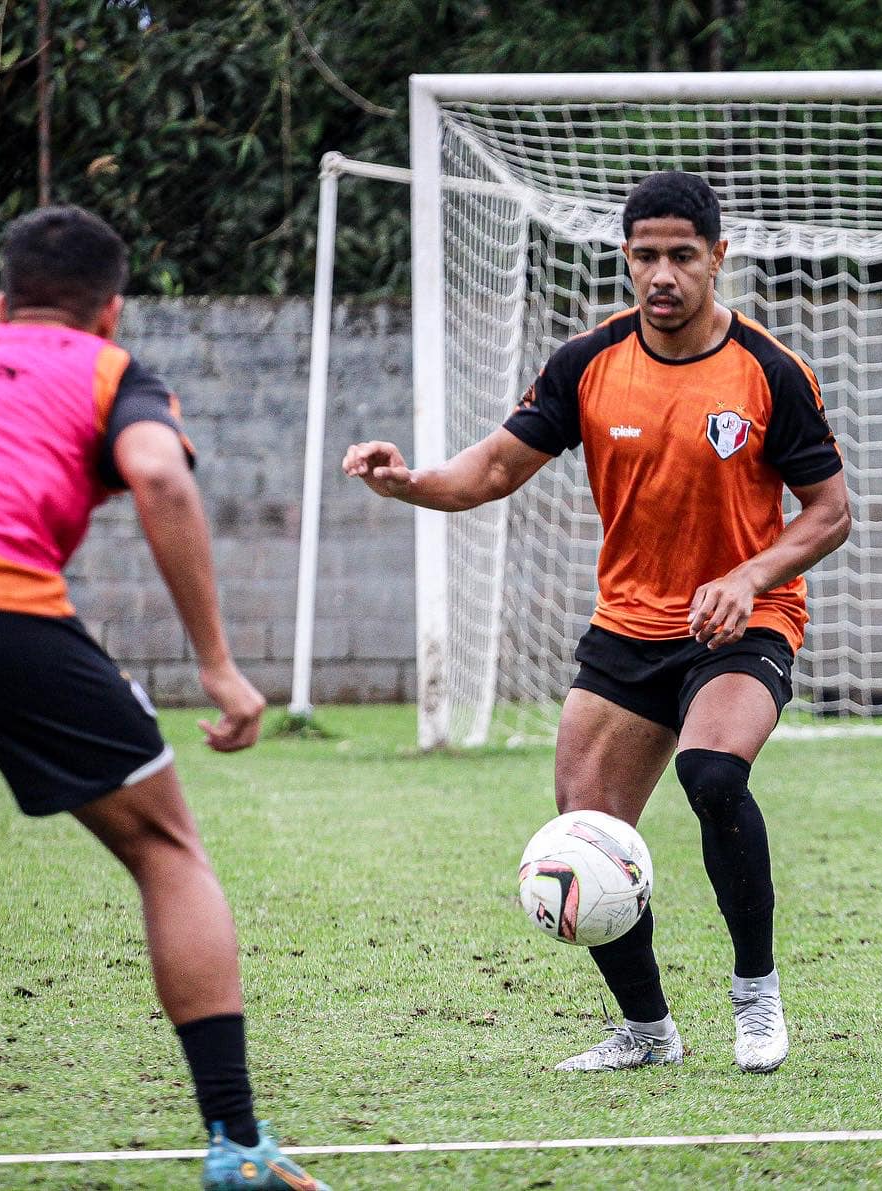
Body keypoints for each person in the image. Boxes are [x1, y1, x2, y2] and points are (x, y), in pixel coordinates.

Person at [346, 170, 850, 1073]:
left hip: (744, 621)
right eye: (646, 256)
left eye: (682, 257)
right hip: (626, 626)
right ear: (625, 258)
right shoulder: (588, 363)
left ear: (717, 258)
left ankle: (756, 995)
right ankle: (649, 1031)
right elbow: (495, 469)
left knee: (712, 773)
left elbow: (830, 512)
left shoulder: (770, 371)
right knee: (583, 828)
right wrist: (407, 480)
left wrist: (750, 573)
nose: (662, 274)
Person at [0, 207, 328, 1190]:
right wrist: (220, 666)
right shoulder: (111, 372)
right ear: (111, 313)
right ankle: (237, 1144)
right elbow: (159, 473)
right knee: (165, 850)